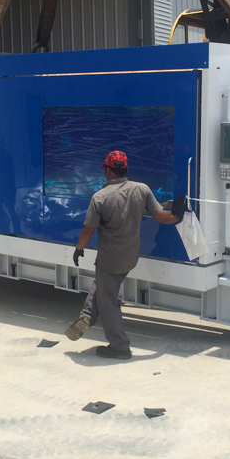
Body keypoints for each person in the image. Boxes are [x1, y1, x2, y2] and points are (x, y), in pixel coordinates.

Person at [65, 151, 186, 360]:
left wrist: (79, 248)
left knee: (108, 301)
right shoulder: (142, 189)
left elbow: (88, 229)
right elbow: (162, 217)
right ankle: (86, 316)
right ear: (126, 169)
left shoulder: (100, 197)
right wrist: (178, 215)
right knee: (102, 286)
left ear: (108, 171)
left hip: (109, 259)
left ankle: (119, 346)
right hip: (130, 256)